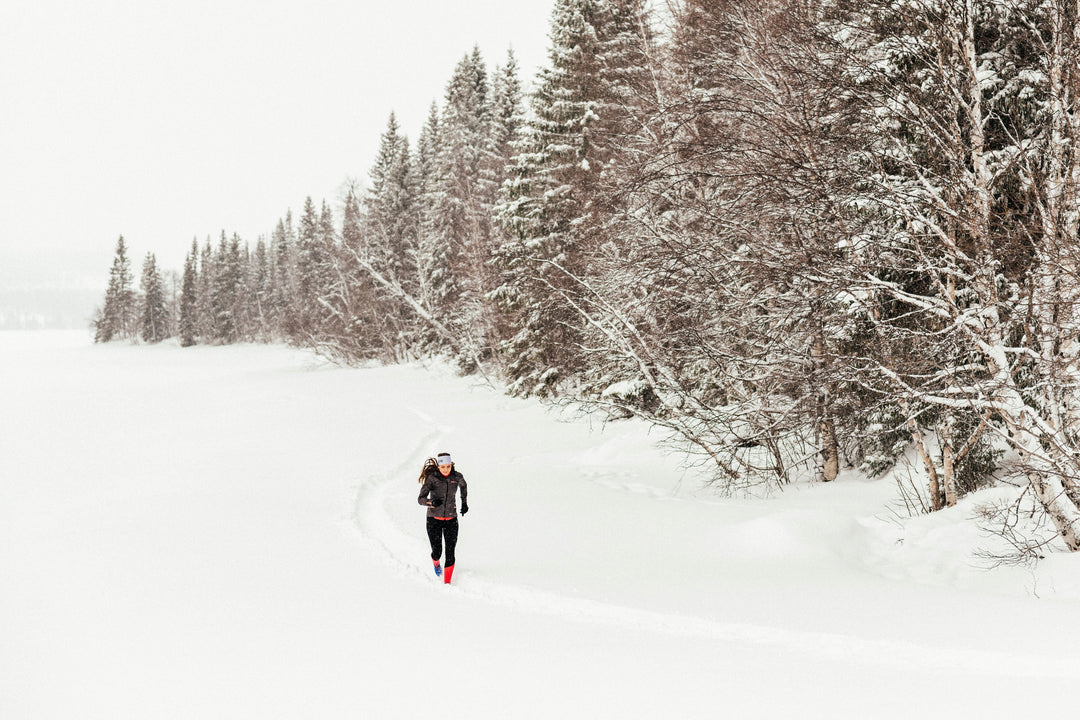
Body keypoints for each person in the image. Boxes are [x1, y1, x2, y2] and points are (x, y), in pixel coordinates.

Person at [417, 452, 468, 584]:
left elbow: (464, 486)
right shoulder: (432, 478)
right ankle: (436, 563)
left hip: (451, 520)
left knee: (450, 552)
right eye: (443, 467)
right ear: (438, 467)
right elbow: (420, 499)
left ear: (451, 465)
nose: (446, 469)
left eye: (448, 466)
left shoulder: (457, 477)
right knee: (437, 551)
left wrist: (464, 503)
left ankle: (447, 583)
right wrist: (431, 503)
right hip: (433, 520)